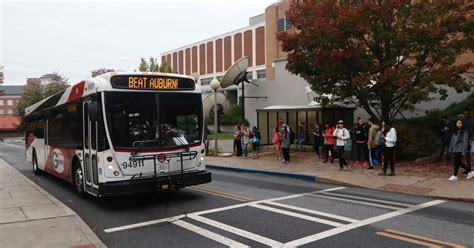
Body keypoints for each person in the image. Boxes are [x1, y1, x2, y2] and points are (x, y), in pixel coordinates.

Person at [462, 109, 473, 174]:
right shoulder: (463, 120)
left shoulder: (473, 119)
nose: (466, 114)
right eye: (464, 113)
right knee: (467, 154)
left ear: (469, 113)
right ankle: (469, 169)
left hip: (473, 138)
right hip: (466, 139)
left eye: (467, 113)